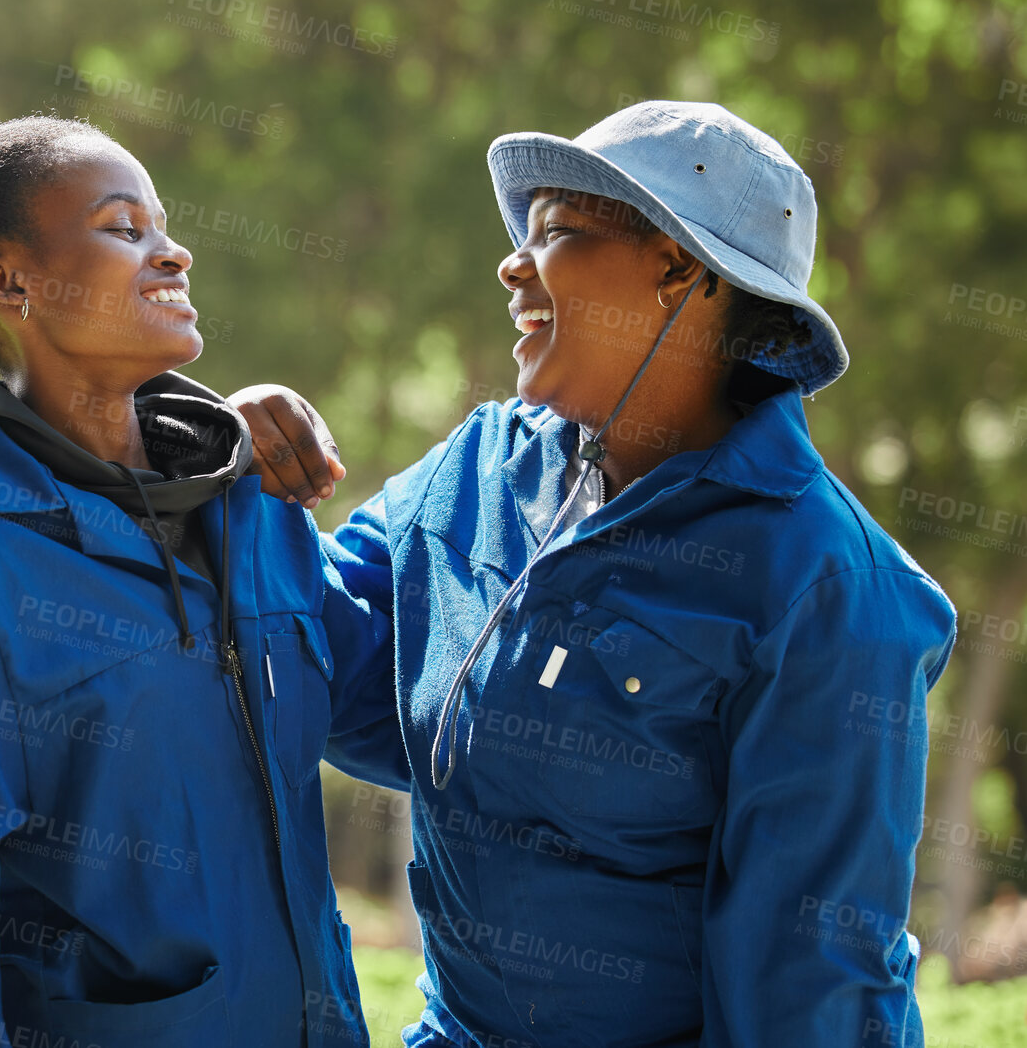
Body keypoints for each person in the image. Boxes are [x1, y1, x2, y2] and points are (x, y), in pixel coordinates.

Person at [234, 100, 959, 1047]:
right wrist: (241, 480)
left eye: (557, 231)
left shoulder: (827, 587)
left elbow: (810, 981)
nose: (509, 263)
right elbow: (341, 675)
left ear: (677, 271)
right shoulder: (481, 464)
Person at [0, 75, 392, 1048]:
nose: (172, 250)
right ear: (10, 282)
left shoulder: (253, 507)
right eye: (123, 226)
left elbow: (406, 715)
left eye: (162, 225)